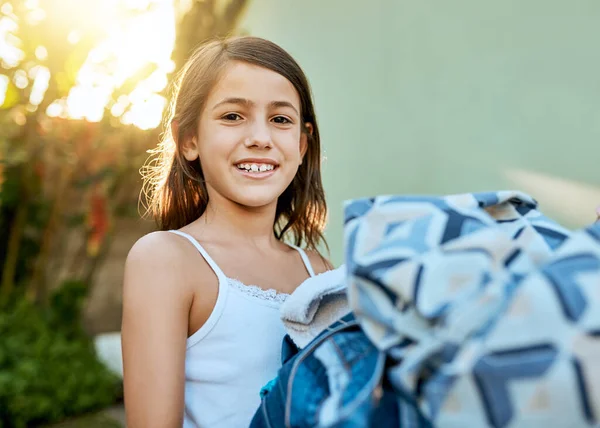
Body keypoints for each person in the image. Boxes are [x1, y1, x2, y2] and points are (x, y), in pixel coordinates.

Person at [121, 36, 332, 428]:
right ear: (189, 140)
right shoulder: (167, 259)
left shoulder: (318, 271)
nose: (260, 137)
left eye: (280, 119)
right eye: (233, 116)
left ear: (302, 145)